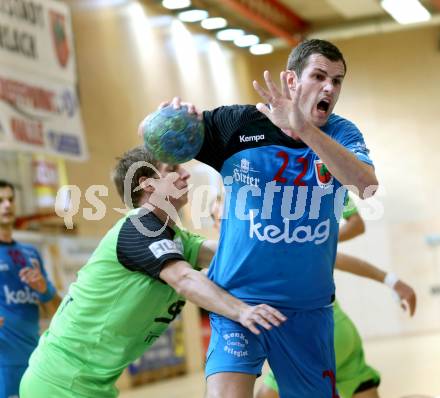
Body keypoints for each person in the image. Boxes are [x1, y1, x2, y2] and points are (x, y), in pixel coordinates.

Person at [152, 38, 378, 397]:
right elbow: (158, 145)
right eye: (319, 76)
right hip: (238, 302)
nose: (329, 88)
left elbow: (366, 186)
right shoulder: (237, 124)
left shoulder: (341, 133)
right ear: (291, 81)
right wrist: (164, 122)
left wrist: (305, 129)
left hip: (308, 312)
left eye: (337, 81)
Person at [19, 147, 285, 398]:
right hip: (59, 380)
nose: (185, 174)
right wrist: (242, 311)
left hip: (89, 383)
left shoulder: (178, 238)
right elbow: (183, 279)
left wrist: (285, 241)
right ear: (147, 184)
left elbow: (234, 255)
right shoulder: (137, 227)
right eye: (172, 168)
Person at [256, 196, 416, 398]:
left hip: (306, 340)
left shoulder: (265, 245)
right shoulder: (305, 245)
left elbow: (355, 226)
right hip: (340, 331)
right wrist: (392, 281)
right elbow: (348, 242)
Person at [0, 180, 61, 398]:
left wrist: (45, 290)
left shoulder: (31, 254)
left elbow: (58, 310)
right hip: (3, 365)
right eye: (0, 201)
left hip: (35, 361)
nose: (7, 205)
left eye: (10, 200)